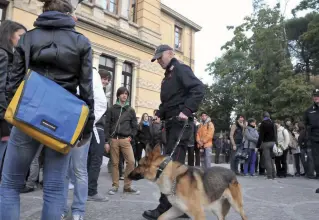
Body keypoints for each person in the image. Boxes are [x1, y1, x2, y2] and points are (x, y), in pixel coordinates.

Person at [0, 0, 95, 219]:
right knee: (54, 187)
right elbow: (87, 90)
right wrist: (86, 129)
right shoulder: (82, 42)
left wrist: (14, 114)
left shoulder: (28, 37)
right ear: (70, 14)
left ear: (44, 10)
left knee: (10, 184)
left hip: (28, 115)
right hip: (62, 122)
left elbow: (12, 84)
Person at [142, 44, 204, 220]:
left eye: (160, 57)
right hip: (171, 126)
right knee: (174, 169)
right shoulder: (167, 76)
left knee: (167, 168)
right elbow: (168, 101)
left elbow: (198, 89)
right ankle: (183, 208)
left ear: (170, 53)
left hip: (181, 126)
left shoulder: (180, 70)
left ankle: (165, 208)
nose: (159, 61)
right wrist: (159, 114)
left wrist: (186, 110)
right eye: (157, 59)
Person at [62, 67, 107, 220]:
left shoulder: (91, 72)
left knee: (79, 169)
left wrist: (88, 122)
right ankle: (61, 208)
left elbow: (101, 102)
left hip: (80, 127)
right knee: (62, 169)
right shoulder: (62, 66)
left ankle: (78, 210)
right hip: (62, 125)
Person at [0, 20, 26, 180]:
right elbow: (1, 87)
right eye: (20, 36)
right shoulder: (3, 55)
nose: (22, 41)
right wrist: (5, 115)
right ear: (9, 36)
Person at [105, 87, 139, 195]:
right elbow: (107, 125)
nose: (124, 95)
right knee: (115, 164)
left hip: (125, 140)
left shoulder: (130, 110)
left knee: (131, 161)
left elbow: (135, 126)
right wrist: (107, 141)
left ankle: (127, 186)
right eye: (122, 94)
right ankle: (115, 186)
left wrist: (131, 137)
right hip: (114, 139)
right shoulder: (112, 109)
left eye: (126, 94)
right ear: (118, 95)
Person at [304, 88, 319, 193]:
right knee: (317, 163)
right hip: (315, 139)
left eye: (317, 95)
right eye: (314, 95)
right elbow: (306, 124)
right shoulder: (309, 111)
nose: (316, 97)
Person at [256, 112, 276, 180]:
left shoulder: (263, 124)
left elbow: (261, 136)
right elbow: (275, 134)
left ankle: (269, 176)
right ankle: (274, 175)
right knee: (271, 160)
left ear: (263, 117)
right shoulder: (273, 123)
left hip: (266, 143)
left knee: (267, 160)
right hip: (273, 143)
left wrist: (257, 146)